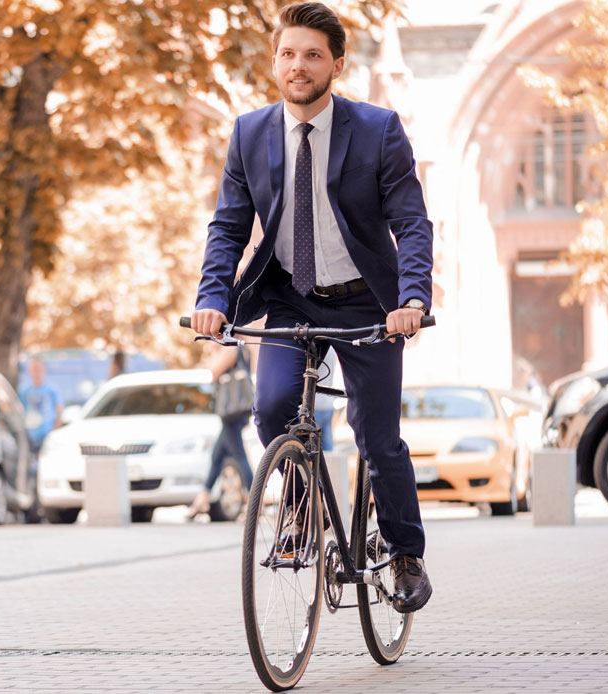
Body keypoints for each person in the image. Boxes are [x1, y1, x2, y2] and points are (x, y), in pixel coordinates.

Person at [189, 2, 433, 613]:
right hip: (287, 296)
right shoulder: (249, 133)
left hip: (364, 304)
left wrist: (411, 297)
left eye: (313, 55)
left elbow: (410, 220)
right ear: (275, 61)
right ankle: (301, 515)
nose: (299, 66)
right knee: (272, 409)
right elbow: (228, 228)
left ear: (337, 65)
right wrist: (212, 298)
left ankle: (404, 553)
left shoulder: (378, 129)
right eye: (289, 54)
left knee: (377, 437)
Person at [187, 343, 255, 518]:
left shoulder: (230, 348)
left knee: (239, 457)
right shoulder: (241, 348)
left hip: (232, 412)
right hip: (234, 412)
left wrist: (214, 350)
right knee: (217, 457)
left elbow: (213, 372)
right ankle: (202, 497)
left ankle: (255, 501)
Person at [20, 358, 63, 455]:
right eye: (33, 368)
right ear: (29, 370)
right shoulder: (24, 391)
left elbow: (59, 409)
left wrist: (55, 429)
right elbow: (20, 411)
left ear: (44, 369)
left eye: (38, 368)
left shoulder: (52, 390)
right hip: (30, 436)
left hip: (47, 434)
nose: (36, 371)